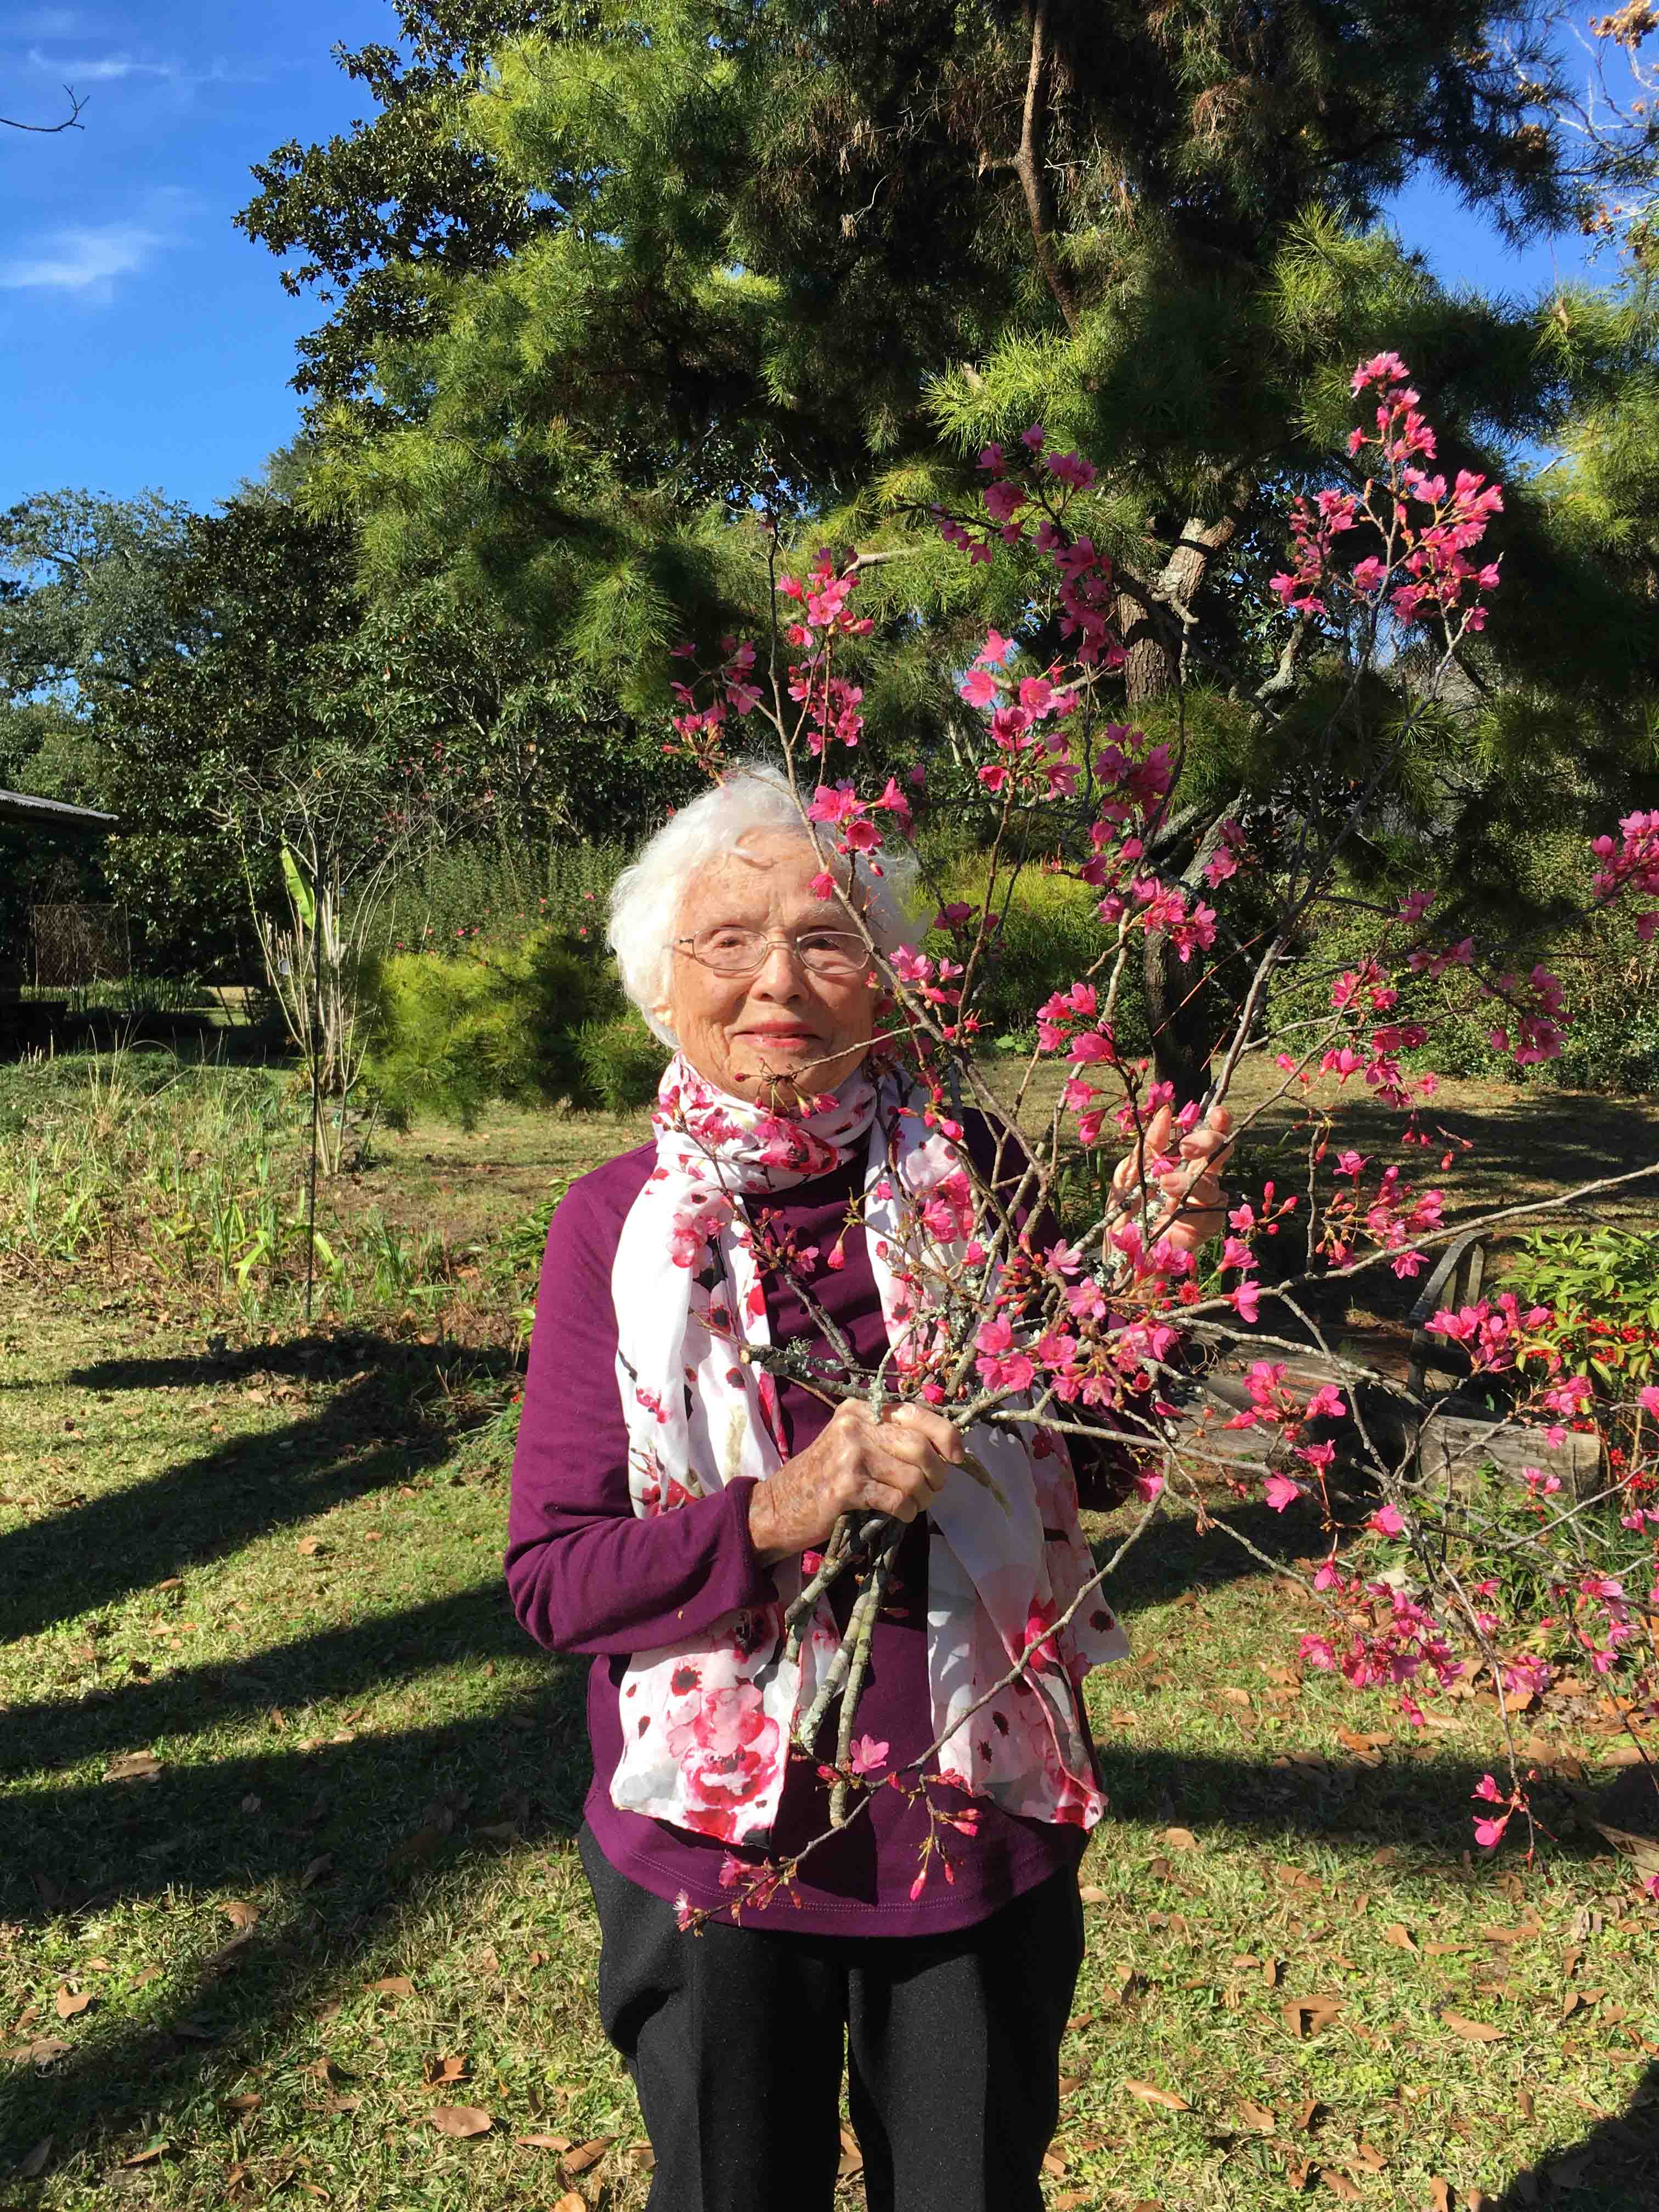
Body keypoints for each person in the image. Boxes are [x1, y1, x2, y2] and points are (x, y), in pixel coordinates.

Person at [505, 765, 1229, 2212]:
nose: (778, 980)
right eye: (729, 941)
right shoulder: (612, 1226)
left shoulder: (973, 1176)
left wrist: (1155, 1279)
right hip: (716, 1848)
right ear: (663, 984)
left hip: (971, 1821)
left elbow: (1096, 1459)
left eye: (826, 940)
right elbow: (554, 1581)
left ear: (887, 986)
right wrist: (781, 1510)